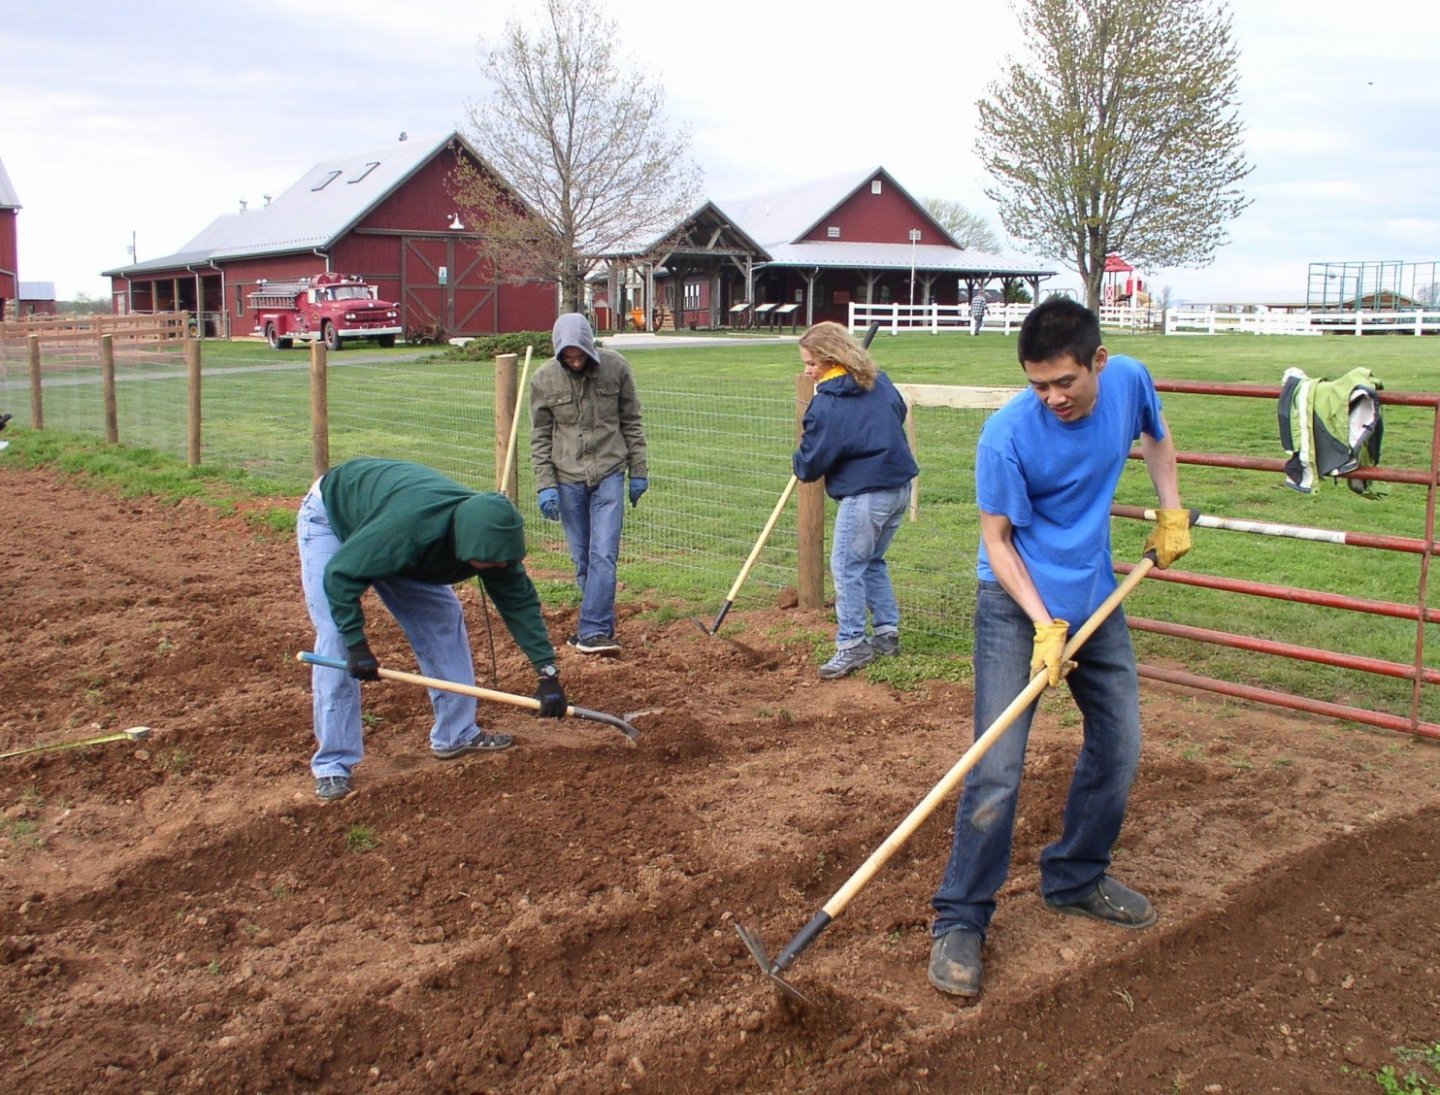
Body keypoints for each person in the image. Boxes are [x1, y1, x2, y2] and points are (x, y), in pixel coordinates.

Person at [927, 297, 1191, 1000]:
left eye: (1064, 383)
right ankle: (961, 918)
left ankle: (1075, 876)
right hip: (1016, 605)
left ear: (1098, 362)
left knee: (1122, 741)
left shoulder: (1129, 379)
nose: (1052, 398)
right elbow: (998, 542)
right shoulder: (1006, 435)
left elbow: (1157, 437)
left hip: (1095, 596)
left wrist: (1170, 506)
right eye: (1038, 384)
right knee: (997, 765)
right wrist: (1044, 624)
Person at [298, 458, 567, 802]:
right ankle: (333, 764)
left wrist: (547, 673)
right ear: (467, 546)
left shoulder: (492, 538)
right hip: (335, 519)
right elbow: (341, 575)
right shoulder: (405, 531)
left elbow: (521, 606)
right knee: (335, 637)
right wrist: (357, 643)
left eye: (506, 560)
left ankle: (456, 733)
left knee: (443, 615)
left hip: (395, 533)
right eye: (495, 561)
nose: (501, 566)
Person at [792, 321, 920, 680]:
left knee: (847, 566)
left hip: (866, 494)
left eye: (810, 363)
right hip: (899, 486)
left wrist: (801, 460)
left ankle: (851, 644)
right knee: (873, 561)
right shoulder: (879, 380)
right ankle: (886, 633)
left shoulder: (827, 405)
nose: (807, 370)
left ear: (830, 359)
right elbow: (897, 411)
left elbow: (811, 462)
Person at [530, 313, 649, 655]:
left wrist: (638, 471)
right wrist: (545, 484)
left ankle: (593, 631)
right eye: (569, 356)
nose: (576, 360)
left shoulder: (616, 368)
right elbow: (539, 437)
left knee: (604, 554)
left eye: (580, 354)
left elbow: (632, 422)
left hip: (609, 473)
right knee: (582, 558)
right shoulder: (544, 379)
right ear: (558, 353)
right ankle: (600, 627)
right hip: (567, 479)